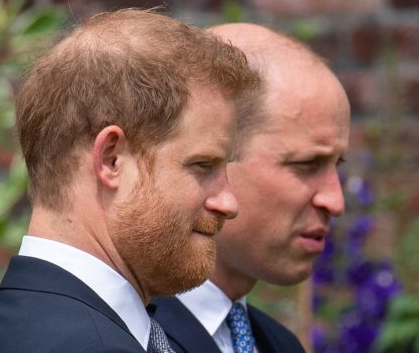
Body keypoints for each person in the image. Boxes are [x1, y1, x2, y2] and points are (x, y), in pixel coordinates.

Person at [0, 10, 259, 353]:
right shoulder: (75, 344)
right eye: (202, 165)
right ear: (111, 159)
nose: (228, 203)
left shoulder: (30, 328)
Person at [149, 23, 351, 353]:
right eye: (306, 165)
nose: (335, 200)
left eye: (337, 165)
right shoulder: (125, 334)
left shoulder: (279, 344)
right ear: (210, 154)